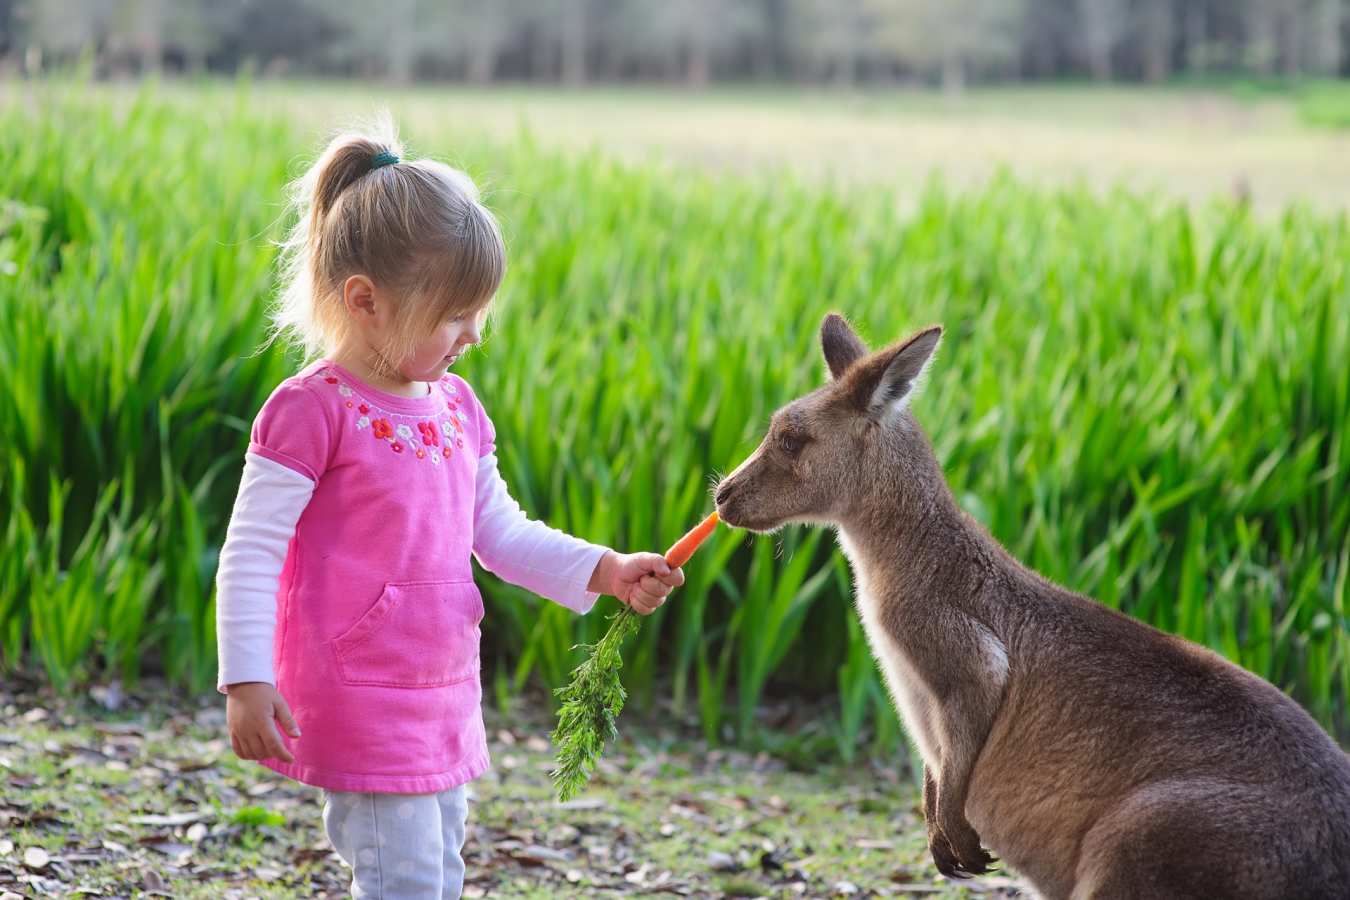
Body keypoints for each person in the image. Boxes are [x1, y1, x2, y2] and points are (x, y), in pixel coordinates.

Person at [213, 115, 684, 898]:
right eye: (452, 314)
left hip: (440, 691)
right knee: (402, 881)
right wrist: (245, 676)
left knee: (434, 874)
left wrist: (602, 570)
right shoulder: (311, 411)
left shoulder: (457, 408)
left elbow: (498, 532)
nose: (471, 334)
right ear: (364, 300)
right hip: (361, 695)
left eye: (479, 311)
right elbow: (253, 549)